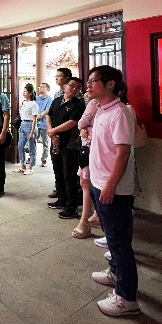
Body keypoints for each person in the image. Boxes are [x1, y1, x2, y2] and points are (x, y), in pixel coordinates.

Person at [87, 65, 140, 317]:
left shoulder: (119, 112)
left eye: (93, 81)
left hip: (113, 188)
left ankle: (127, 299)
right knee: (112, 238)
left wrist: (110, 185)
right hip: (98, 182)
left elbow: (123, 153)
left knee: (119, 243)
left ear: (110, 84)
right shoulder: (101, 109)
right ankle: (116, 273)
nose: (89, 85)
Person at [46, 77, 85, 218]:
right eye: (72, 86)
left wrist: (54, 131)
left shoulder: (78, 105)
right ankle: (61, 200)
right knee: (58, 173)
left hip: (70, 144)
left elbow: (72, 122)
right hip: (56, 142)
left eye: (78, 87)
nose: (75, 89)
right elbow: (49, 116)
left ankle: (71, 207)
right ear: (65, 86)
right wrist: (51, 131)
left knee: (69, 175)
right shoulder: (57, 101)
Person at [72, 96, 100, 239]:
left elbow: (81, 122)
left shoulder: (95, 102)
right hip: (92, 147)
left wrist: (85, 128)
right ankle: (95, 216)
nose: (89, 88)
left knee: (86, 183)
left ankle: (85, 222)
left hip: (90, 148)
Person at [15, 83, 38, 175]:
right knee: (20, 146)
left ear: (30, 93)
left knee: (32, 147)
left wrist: (32, 132)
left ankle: (31, 167)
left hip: (30, 124)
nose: (23, 93)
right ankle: (23, 165)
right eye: (23, 91)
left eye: (25, 91)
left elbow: (35, 119)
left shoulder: (34, 104)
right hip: (23, 124)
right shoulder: (24, 102)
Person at [35, 82, 52, 167]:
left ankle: (44, 159)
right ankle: (31, 157)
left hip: (44, 124)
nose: (40, 88)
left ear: (47, 89)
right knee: (33, 141)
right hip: (35, 123)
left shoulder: (50, 99)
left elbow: (48, 110)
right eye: (40, 87)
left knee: (45, 143)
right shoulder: (36, 98)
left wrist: (40, 116)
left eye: (42, 87)